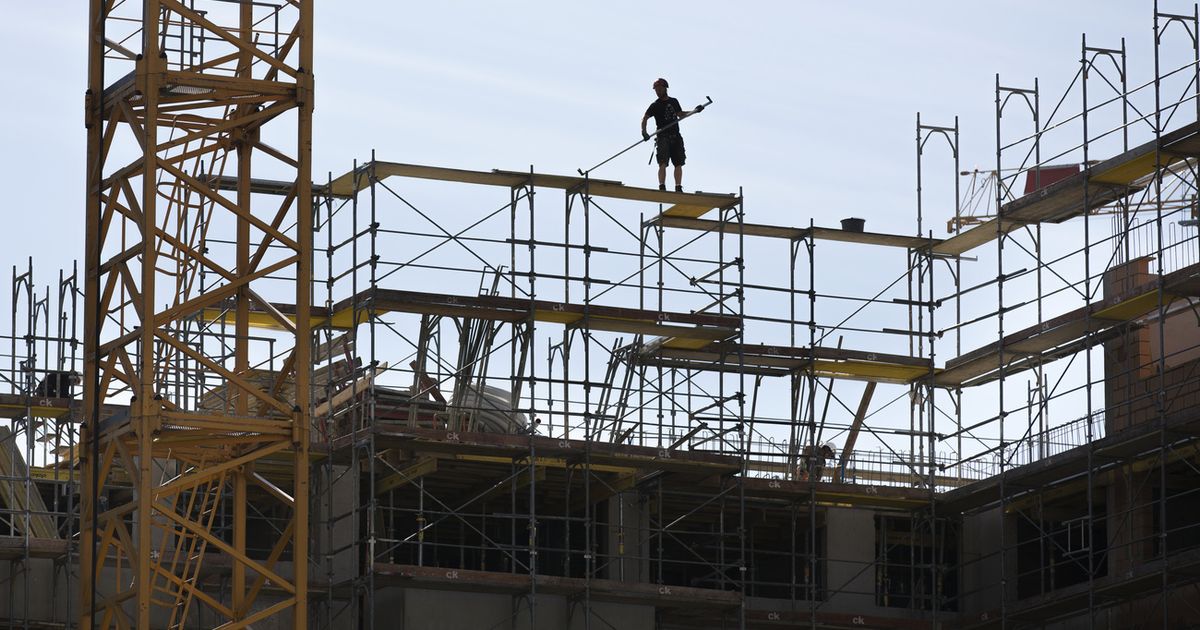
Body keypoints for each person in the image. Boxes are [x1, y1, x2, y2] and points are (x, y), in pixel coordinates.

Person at [641, 78, 704, 192]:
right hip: (663, 136)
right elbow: (645, 118)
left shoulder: (673, 101)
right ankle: (662, 186)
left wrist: (694, 111)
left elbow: (680, 115)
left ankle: (678, 187)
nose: (658, 92)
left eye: (660, 89)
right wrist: (644, 132)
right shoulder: (655, 105)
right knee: (662, 162)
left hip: (675, 135)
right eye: (656, 90)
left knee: (678, 162)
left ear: (665, 88)